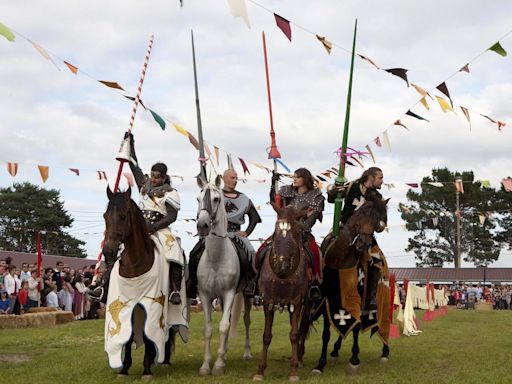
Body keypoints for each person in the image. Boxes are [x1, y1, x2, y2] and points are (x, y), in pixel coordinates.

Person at [91, 131, 185, 305]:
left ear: (164, 177)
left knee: (174, 252)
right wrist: (130, 144)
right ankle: (104, 286)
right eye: (153, 175)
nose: (154, 179)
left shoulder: (171, 193)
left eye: (158, 177)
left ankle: (174, 290)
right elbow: (134, 165)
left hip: (160, 228)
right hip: (138, 226)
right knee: (116, 248)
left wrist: (154, 227)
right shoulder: (144, 184)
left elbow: (172, 216)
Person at [187, 169, 262, 298]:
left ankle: (251, 283)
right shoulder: (214, 194)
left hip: (236, 234)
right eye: (232, 178)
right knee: (194, 253)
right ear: (223, 179)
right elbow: (202, 210)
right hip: (215, 233)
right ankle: (192, 283)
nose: (235, 181)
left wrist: (247, 232)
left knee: (251, 253)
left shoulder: (243, 198)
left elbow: (254, 217)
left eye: (236, 178)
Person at [256, 168, 325, 301]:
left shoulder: (316, 197)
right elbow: (274, 201)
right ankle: (257, 281)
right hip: (283, 232)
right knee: (261, 250)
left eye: (297, 177)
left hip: (302, 233)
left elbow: (312, 218)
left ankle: (314, 285)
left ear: (305, 179)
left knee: (315, 253)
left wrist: (301, 227)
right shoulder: (286, 192)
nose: (294, 179)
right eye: (294, 177)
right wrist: (273, 183)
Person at [325, 166, 385, 310]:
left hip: (365, 234)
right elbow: (333, 198)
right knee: (326, 244)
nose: (382, 181)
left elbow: (382, 223)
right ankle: (317, 284)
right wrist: (333, 190)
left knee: (377, 261)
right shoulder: (352, 185)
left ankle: (371, 297)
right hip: (343, 227)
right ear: (371, 177)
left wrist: (380, 224)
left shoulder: (378, 198)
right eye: (380, 178)